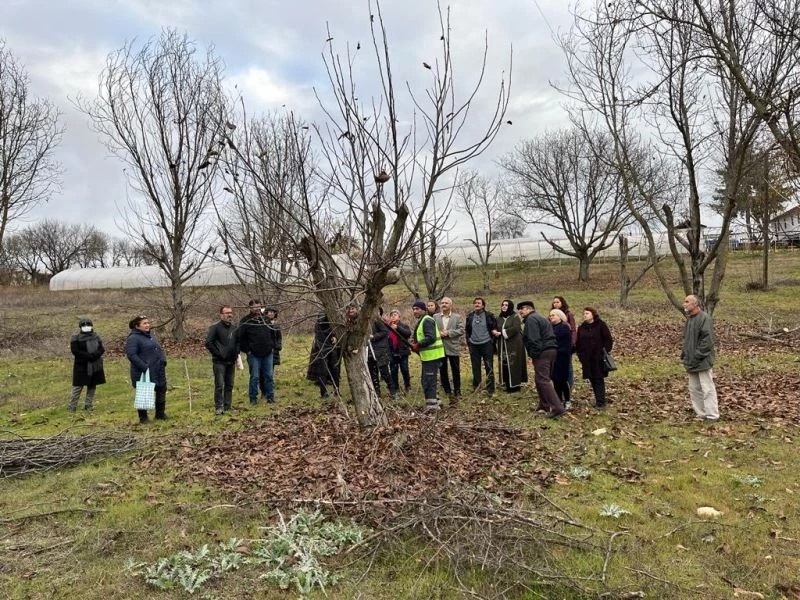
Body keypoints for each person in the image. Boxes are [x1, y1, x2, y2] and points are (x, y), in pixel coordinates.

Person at [517, 301, 565, 418]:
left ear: (529, 309)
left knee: (543, 380)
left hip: (543, 352)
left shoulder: (531, 319)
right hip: (550, 350)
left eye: (522, 309)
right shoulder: (540, 318)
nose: (520, 312)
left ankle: (557, 408)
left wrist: (534, 355)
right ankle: (544, 405)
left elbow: (534, 339)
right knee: (540, 379)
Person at [681, 294, 719, 421]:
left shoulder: (704, 318)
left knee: (707, 388)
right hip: (691, 360)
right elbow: (687, 340)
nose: (684, 304)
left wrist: (697, 356)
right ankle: (701, 414)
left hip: (702, 360)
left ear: (695, 304)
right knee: (694, 389)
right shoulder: (690, 319)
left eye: (687, 301)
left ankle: (712, 415)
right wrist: (685, 355)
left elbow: (707, 341)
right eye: (684, 301)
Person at [125, 315, 167, 424]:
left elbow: (158, 349)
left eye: (148, 323)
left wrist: (163, 360)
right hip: (143, 371)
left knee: (161, 389)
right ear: (137, 326)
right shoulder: (133, 338)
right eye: (144, 323)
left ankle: (160, 414)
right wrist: (144, 367)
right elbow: (131, 355)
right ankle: (143, 418)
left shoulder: (150, 335)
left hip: (158, 368)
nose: (147, 325)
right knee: (144, 393)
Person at [239, 299, 279, 405]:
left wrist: (272, 346)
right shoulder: (245, 321)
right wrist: (247, 350)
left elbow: (272, 333)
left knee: (269, 376)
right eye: (255, 307)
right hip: (253, 354)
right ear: (250, 307)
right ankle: (253, 399)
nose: (257, 309)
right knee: (255, 377)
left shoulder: (265, 319)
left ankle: (270, 397)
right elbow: (240, 338)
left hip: (267, 353)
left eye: (259, 306)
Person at [574, 307, 614, 408]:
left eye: (587, 313)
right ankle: (598, 399)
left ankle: (601, 402)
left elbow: (608, 339)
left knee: (598, 378)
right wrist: (580, 354)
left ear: (593, 314)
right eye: (584, 314)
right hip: (586, 358)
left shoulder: (600, 325)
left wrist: (604, 352)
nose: (585, 315)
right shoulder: (582, 327)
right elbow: (578, 343)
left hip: (598, 357)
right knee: (591, 378)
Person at [410, 299, 445, 411]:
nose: (415, 311)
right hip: (429, 356)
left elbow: (431, 337)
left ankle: (432, 408)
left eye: (417, 309)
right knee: (431, 380)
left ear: (423, 310)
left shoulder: (427, 320)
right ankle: (437, 402)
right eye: (413, 309)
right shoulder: (422, 320)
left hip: (432, 356)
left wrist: (418, 344)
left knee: (428, 381)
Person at [204, 305, 240, 415]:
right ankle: (219, 407)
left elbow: (238, 341)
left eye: (230, 312)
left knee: (230, 384)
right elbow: (208, 342)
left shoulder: (234, 328)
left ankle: (227, 406)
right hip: (219, 362)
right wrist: (218, 354)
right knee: (219, 385)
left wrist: (236, 353)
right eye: (227, 313)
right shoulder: (215, 327)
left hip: (231, 361)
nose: (229, 314)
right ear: (221, 315)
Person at [68, 318, 106, 412]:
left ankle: (88, 405)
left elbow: (101, 349)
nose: (86, 327)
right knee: (78, 386)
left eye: (88, 325)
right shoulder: (75, 337)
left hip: (95, 364)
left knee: (92, 385)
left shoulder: (96, 336)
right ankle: (72, 406)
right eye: (84, 325)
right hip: (81, 365)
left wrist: (94, 356)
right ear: (80, 327)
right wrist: (88, 356)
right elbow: (75, 351)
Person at [465, 297, 499, 395]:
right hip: (474, 345)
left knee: (489, 366)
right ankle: (477, 387)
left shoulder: (489, 316)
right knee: (475, 367)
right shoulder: (470, 316)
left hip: (487, 344)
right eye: (475, 303)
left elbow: (494, 328)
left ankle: (490, 389)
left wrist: (492, 341)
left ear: (483, 305)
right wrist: (469, 341)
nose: (477, 304)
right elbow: (467, 330)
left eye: (479, 303)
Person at [433, 297, 464, 405]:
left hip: (453, 347)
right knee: (442, 370)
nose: (444, 304)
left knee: (455, 370)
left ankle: (457, 390)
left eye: (446, 303)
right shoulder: (435, 317)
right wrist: (439, 334)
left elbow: (461, 330)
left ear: (451, 305)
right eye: (442, 303)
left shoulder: (457, 317)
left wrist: (449, 333)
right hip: (440, 347)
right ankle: (447, 390)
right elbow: (432, 330)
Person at [495, 299, 527, 393]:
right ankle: (507, 383)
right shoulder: (499, 318)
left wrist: (501, 332)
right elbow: (496, 327)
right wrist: (494, 331)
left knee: (514, 363)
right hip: (502, 344)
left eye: (506, 305)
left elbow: (516, 328)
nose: (504, 306)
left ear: (510, 307)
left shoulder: (515, 316)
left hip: (514, 344)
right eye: (503, 305)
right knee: (505, 363)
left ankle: (515, 386)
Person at [307, 313, 341, 398]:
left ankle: (336, 390)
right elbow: (323, 324)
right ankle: (324, 392)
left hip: (331, 346)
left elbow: (334, 329)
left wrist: (334, 336)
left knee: (334, 369)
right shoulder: (322, 316)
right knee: (323, 370)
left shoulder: (333, 318)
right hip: (322, 346)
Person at [549, 309, 573, 410]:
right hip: (553, 356)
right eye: (550, 315)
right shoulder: (550, 327)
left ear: (560, 316)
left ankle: (567, 400)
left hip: (562, 356)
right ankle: (558, 400)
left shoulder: (564, 327)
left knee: (562, 379)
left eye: (553, 315)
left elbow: (562, 343)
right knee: (555, 379)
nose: (551, 317)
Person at [368, 308, 395, 398]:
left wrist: (373, 336)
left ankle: (392, 391)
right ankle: (377, 393)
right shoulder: (365, 322)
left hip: (381, 350)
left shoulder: (377, 321)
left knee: (384, 372)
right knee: (373, 372)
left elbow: (385, 331)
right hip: (370, 350)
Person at [552, 296, 577, 387]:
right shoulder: (551, 315)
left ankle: (569, 385)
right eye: (554, 302)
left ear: (562, 303)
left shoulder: (568, 314)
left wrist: (573, 342)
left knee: (568, 366)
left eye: (557, 302)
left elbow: (573, 329)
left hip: (566, 344)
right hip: (555, 344)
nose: (555, 304)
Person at [385, 309, 412, 394]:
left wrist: (397, 327)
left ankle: (407, 386)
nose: (393, 316)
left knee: (404, 369)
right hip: (392, 352)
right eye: (392, 315)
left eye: (395, 315)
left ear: (399, 317)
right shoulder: (387, 327)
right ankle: (396, 388)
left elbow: (408, 334)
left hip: (402, 352)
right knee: (393, 370)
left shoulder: (403, 326)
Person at [261, 307, 282, 393]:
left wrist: (278, 346)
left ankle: (269, 390)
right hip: (263, 350)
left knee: (270, 372)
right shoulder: (263, 324)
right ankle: (263, 390)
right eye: (268, 312)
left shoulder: (276, 325)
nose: (270, 314)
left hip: (274, 351)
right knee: (262, 372)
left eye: (272, 312)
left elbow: (279, 338)